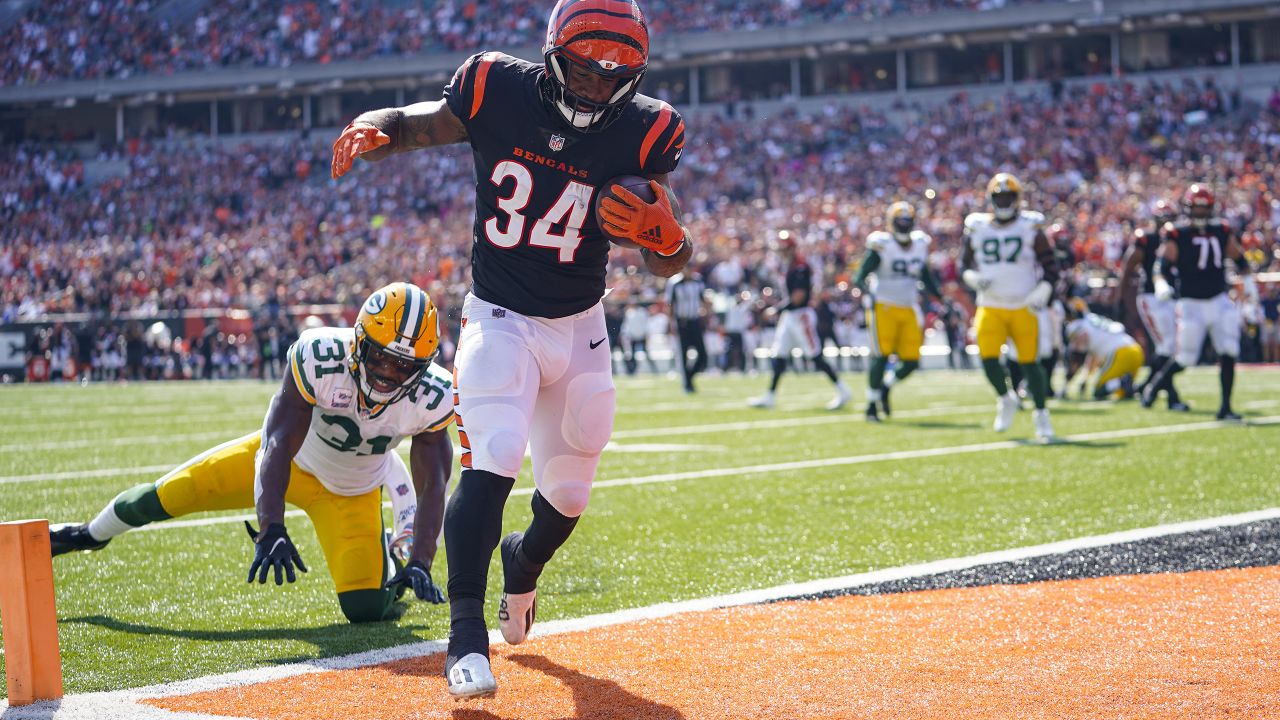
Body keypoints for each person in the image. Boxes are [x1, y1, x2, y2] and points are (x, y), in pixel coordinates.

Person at [330, 0, 693, 698]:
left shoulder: (651, 129)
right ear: (555, 53)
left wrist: (666, 238)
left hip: (580, 323)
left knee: (571, 487)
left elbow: (667, 259)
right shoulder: (494, 85)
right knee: (491, 455)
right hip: (500, 315)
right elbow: (422, 125)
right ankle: (466, 639)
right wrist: (378, 126)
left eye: (611, 76)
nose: (594, 86)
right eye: (583, 70)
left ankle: (520, 566)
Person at [49, 283, 456, 623]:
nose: (388, 374)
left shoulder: (434, 394)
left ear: (424, 366)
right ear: (359, 342)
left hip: (354, 491)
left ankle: (391, 553)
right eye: (382, 358)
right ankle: (89, 533)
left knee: (365, 609)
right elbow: (276, 443)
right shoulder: (320, 356)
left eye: (404, 367)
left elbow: (434, 482)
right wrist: (271, 527)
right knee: (170, 494)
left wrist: (421, 558)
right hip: (288, 463)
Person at [1142, 184, 1258, 420]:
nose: (1201, 213)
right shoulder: (1178, 232)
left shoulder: (1221, 229)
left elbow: (1239, 259)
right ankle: (1154, 385)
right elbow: (1161, 265)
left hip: (1219, 298)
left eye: (1204, 208)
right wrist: (1161, 282)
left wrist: (1249, 283)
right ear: (1188, 207)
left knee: (1229, 350)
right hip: (1191, 303)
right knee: (1185, 358)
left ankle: (1225, 407)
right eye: (1197, 207)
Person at [961, 173, 1060, 441]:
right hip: (991, 305)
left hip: (1023, 305)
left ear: (1017, 200)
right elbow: (964, 265)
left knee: (1030, 363)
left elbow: (1051, 267)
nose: (1003, 201)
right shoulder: (978, 226)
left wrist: (1044, 289)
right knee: (987, 357)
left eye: (1008, 197)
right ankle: (1006, 398)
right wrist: (972, 278)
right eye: (999, 197)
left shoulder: (1030, 226)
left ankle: (1041, 415)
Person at [852, 201, 943, 422]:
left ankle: (885, 386)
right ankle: (871, 405)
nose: (903, 226)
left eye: (906, 222)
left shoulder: (920, 243)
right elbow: (861, 274)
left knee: (912, 360)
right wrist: (865, 289)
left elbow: (925, 276)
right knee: (881, 355)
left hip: (909, 305)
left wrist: (939, 297)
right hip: (883, 305)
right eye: (900, 222)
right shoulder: (881, 244)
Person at [748, 232, 852, 410]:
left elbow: (798, 297)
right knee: (779, 355)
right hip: (789, 316)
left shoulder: (800, 267)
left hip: (801, 315)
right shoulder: (788, 266)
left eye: (783, 249)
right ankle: (770, 396)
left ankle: (843, 390)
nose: (780, 252)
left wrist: (776, 309)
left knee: (815, 356)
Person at [1120, 199, 1186, 409]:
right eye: (1163, 219)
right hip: (1151, 297)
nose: (1166, 223)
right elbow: (1129, 267)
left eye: (1170, 219)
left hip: (1172, 299)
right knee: (1167, 346)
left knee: (1173, 348)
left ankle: (1147, 386)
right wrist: (1121, 298)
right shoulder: (1146, 239)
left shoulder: (1181, 238)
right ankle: (1167, 396)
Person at [1061, 298, 1145, 400]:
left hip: (1120, 353)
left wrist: (1066, 385)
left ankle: (1122, 382)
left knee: (1099, 391)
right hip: (1136, 351)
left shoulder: (1075, 327)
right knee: (1121, 393)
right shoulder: (1091, 320)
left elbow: (1077, 358)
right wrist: (1085, 378)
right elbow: (1093, 355)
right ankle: (1127, 385)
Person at [666, 269, 707, 392]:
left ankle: (689, 377)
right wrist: (671, 323)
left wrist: (707, 315)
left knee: (703, 355)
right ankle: (687, 384)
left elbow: (702, 299)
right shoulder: (675, 283)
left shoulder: (698, 281)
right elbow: (670, 305)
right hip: (681, 322)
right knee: (683, 353)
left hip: (695, 320)